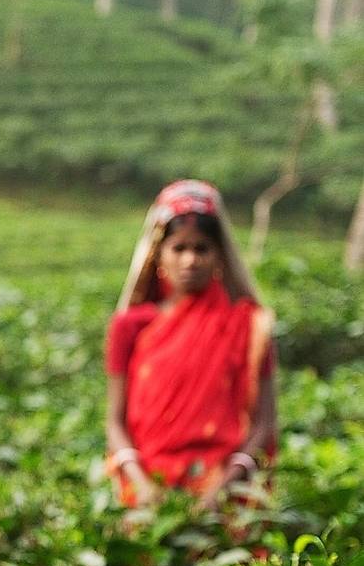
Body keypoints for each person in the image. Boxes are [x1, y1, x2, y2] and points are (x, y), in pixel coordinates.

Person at [105, 180, 277, 511]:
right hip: (147, 488)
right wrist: (140, 484)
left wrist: (223, 488)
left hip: (223, 489)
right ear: (159, 254)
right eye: (179, 248)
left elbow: (264, 423)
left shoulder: (248, 325)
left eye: (201, 249)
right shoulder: (131, 327)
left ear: (219, 257)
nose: (190, 260)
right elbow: (115, 421)